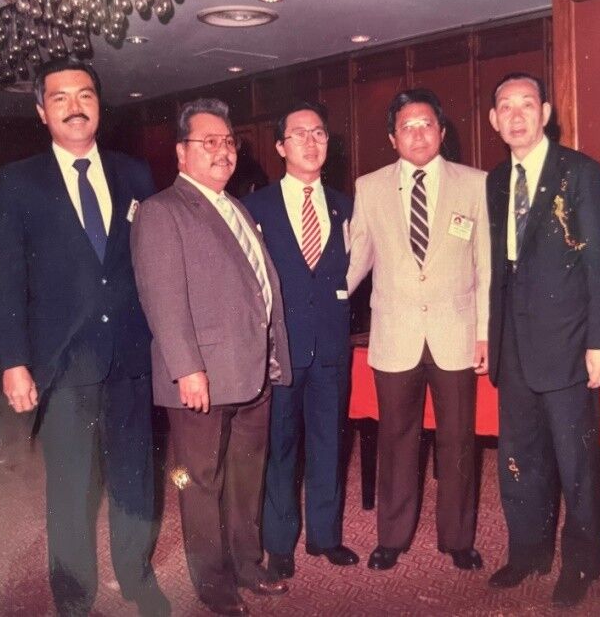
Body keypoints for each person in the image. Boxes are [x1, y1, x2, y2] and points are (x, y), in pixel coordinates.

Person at [0, 57, 167, 616]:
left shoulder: (135, 174)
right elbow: (4, 275)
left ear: (99, 106)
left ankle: (136, 577)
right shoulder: (20, 181)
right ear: (42, 112)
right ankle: (73, 595)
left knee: (136, 477)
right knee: (70, 488)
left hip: (132, 357)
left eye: (85, 95)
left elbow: (152, 265)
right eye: (59, 98)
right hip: (63, 364)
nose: (74, 106)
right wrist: (14, 361)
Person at [131, 98, 292, 616]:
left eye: (228, 141)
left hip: (252, 373)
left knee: (247, 476)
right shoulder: (162, 211)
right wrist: (186, 369)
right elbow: (163, 299)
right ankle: (213, 584)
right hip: (200, 377)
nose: (222, 151)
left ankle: (247, 563)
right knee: (200, 482)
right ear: (181, 153)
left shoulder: (235, 204)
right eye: (209, 142)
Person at [485, 73, 600, 608]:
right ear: (494, 120)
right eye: (505, 106)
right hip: (512, 343)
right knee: (519, 456)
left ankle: (581, 564)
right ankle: (527, 552)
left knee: (576, 461)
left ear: (545, 113)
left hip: (569, 342)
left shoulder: (581, 172)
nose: (516, 115)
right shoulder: (497, 179)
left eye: (526, 104)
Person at [347, 88, 490, 572]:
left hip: (456, 335)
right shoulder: (369, 187)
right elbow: (356, 262)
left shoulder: (475, 185)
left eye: (427, 124)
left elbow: (486, 267)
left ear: (442, 132)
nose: (418, 133)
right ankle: (392, 537)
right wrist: (320, 301)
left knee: (457, 443)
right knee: (397, 440)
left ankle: (458, 539)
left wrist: (485, 332)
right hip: (395, 335)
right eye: (407, 126)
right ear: (392, 138)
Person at [243, 101, 358, 579]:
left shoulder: (347, 205)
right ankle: (279, 544)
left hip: (331, 347)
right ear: (279, 146)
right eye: (299, 134)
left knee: (330, 442)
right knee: (281, 446)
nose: (311, 143)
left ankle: (326, 537)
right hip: (280, 351)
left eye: (319, 133)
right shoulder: (255, 206)